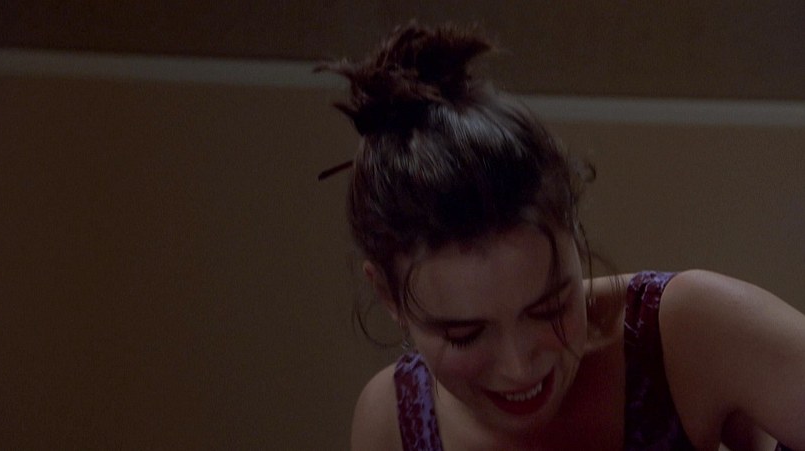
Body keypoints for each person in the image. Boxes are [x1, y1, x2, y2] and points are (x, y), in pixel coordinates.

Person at [319, 23, 805, 451]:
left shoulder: (685, 332)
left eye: (550, 309)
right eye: (465, 336)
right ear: (388, 296)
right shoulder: (393, 422)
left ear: (575, 236)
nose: (519, 366)